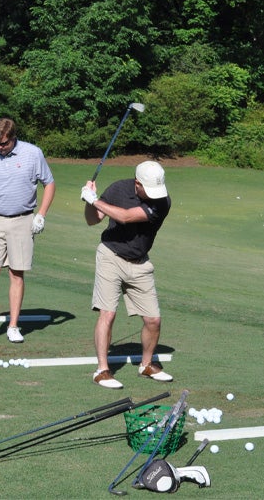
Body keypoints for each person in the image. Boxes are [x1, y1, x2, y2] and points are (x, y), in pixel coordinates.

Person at [81, 160, 173, 389]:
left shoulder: (162, 202)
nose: (153, 195)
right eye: (148, 190)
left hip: (140, 263)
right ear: (137, 184)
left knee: (153, 319)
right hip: (110, 256)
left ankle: (147, 365)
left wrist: (95, 200)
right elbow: (93, 220)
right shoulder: (118, 189)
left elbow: (125, 216)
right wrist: (89, 200)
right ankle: (102, 370)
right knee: (108, 314)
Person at [0, 117, 56, 343]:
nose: (0, 148)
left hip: (22, 221)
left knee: (16, 273)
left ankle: (13, 326)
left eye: (4, 144)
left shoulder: (33, 153)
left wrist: (41, 215)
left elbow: (49, 183)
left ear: (14, 138)